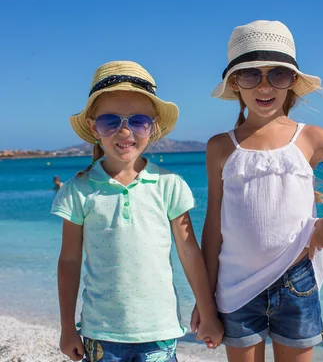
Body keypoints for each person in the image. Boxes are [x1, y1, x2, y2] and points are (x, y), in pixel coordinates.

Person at [191, 20, 323, 362]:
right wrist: (205, 301)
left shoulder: (311, 138)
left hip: (296, 283)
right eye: (252, 74)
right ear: (235, 82)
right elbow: (213, 228)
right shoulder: (220, 147)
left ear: (292, 81)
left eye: (277, 74)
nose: (264, 85)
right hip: (235, 288)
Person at [51, 61, 223, 362]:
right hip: (100, 333)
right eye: (110, 121)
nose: (125, 131)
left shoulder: (169, 185)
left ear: (152, 127)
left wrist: (207, 312)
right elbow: (68, 260)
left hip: (159, 332)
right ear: (94, 128)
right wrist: (67, 327)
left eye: (139, 121)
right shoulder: (78, 191)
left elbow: (189, 252)